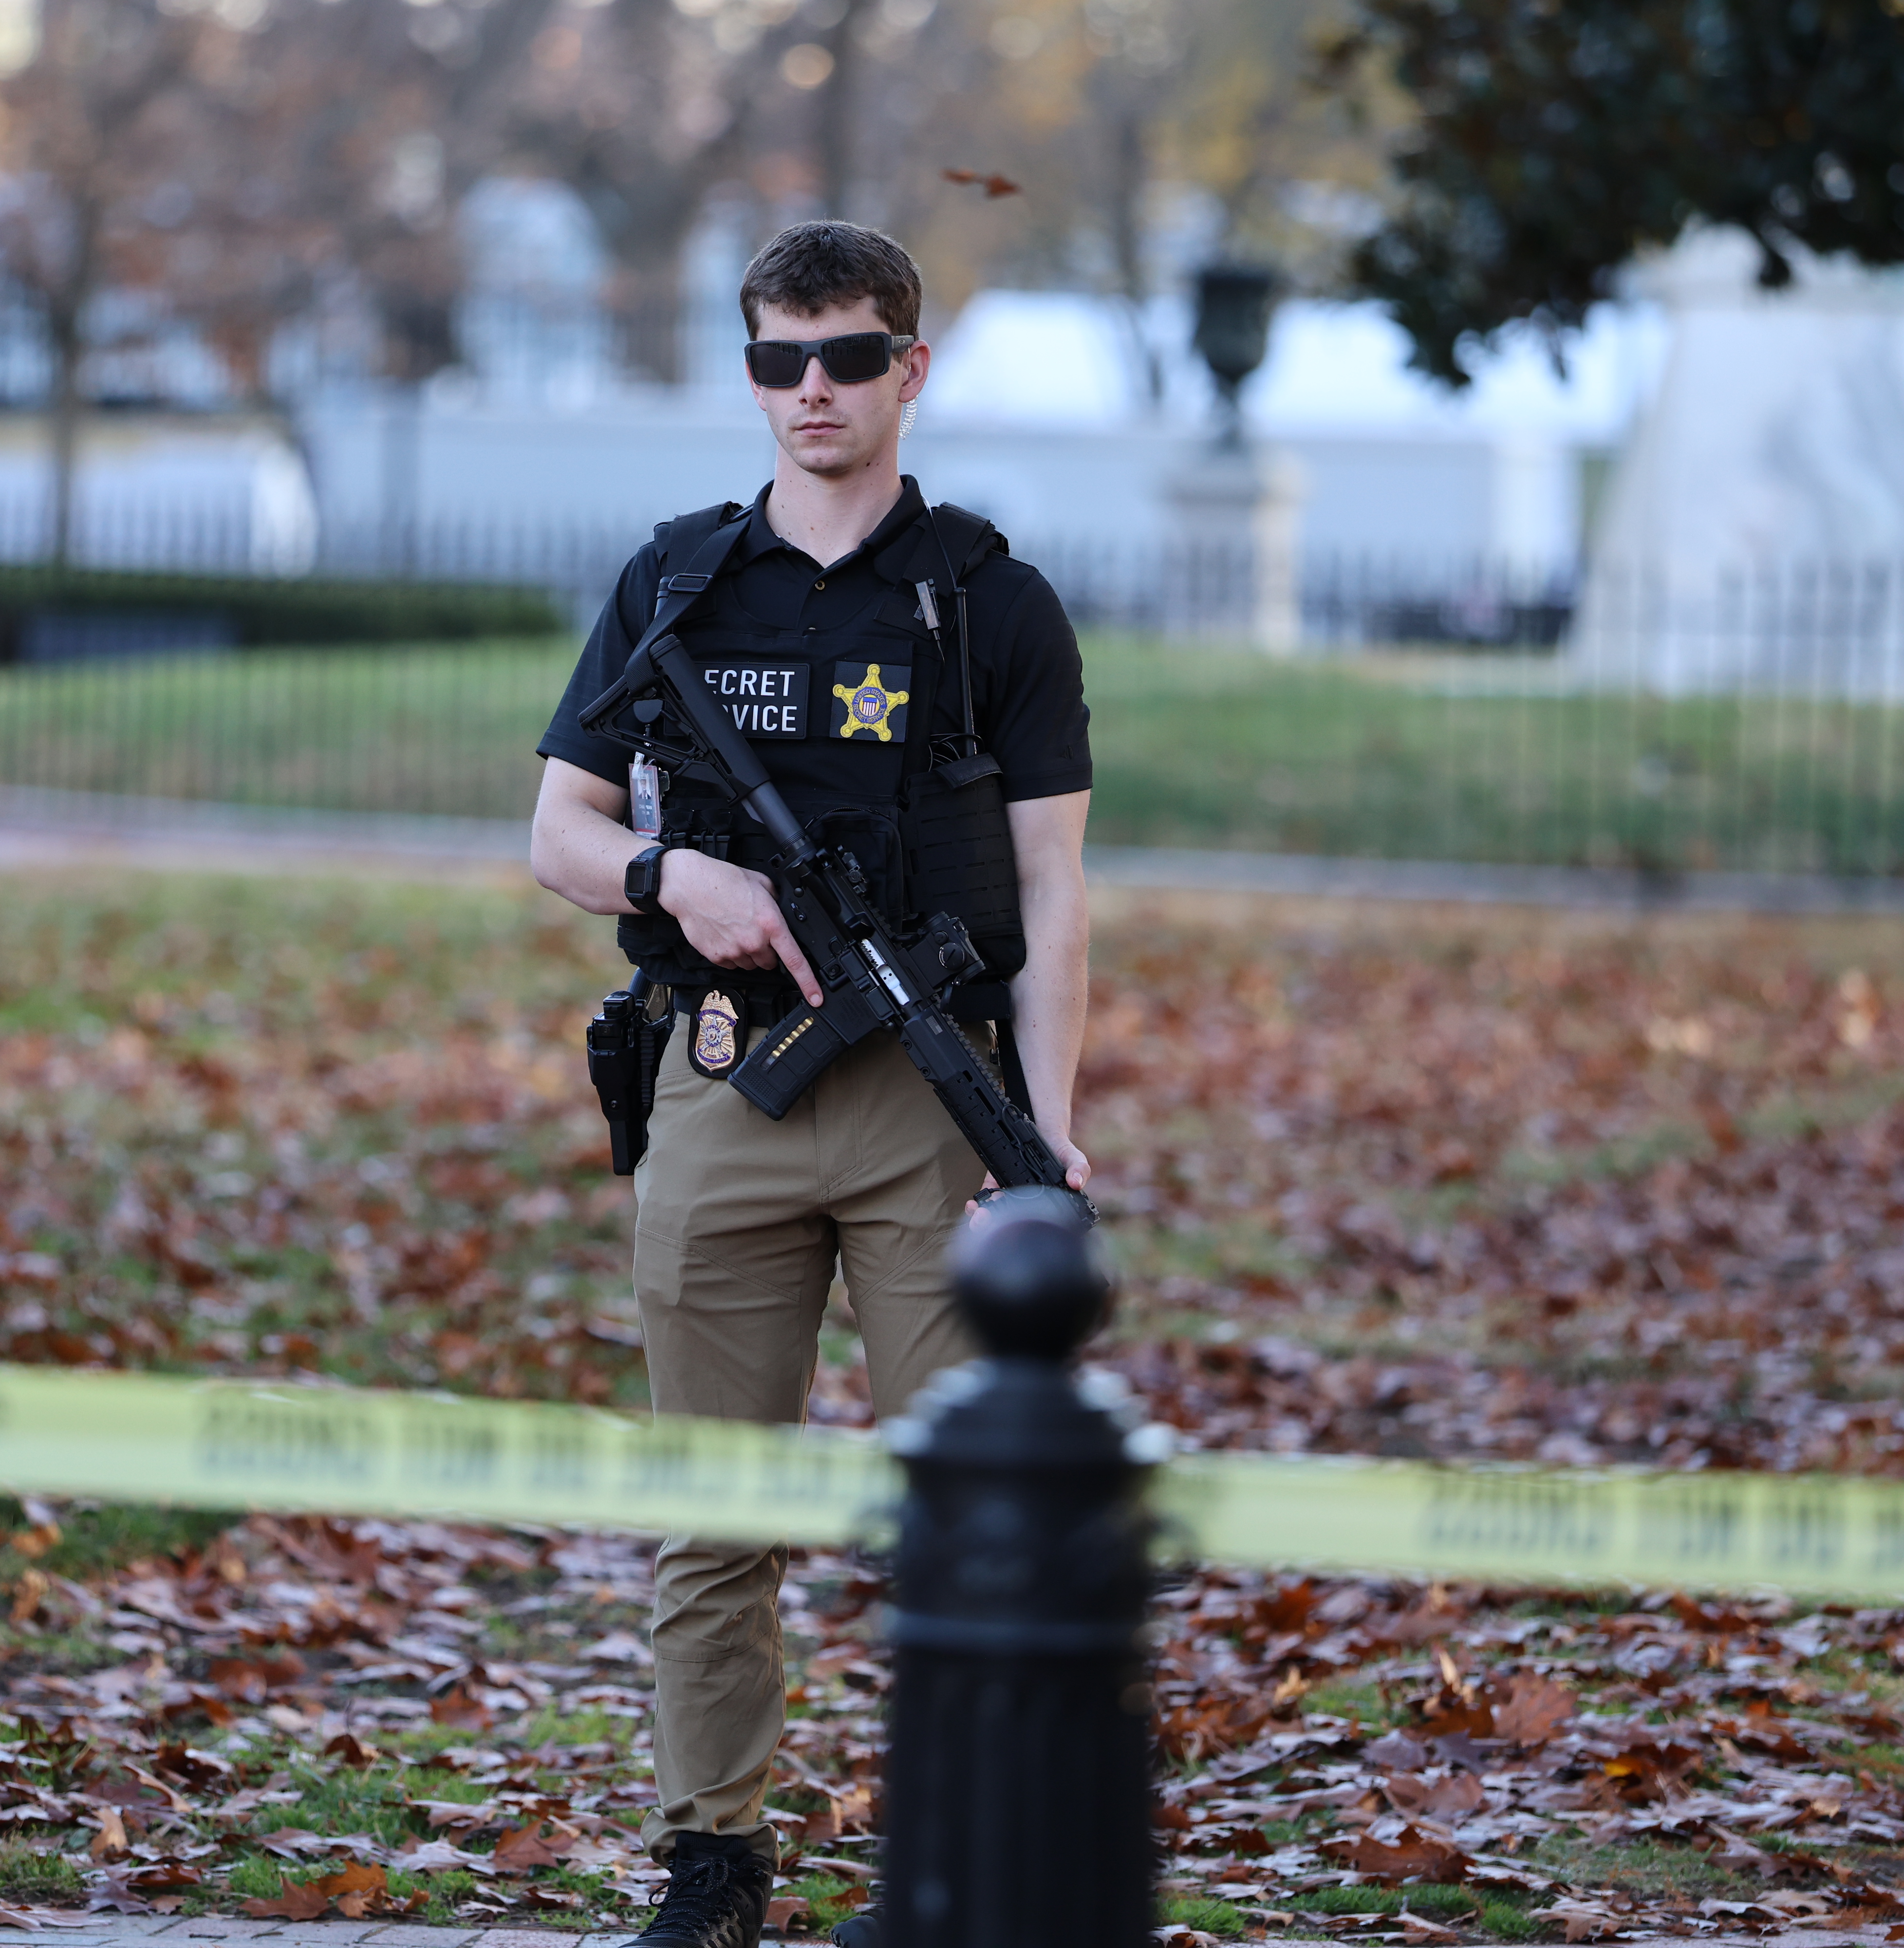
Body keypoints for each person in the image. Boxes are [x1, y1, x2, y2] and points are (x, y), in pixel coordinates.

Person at [530, 220, 1094, 1948]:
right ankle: (715, 1871)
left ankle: (956, 1873)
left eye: (848, 356)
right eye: (780, 359)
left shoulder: (991, 600)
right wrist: (669, 883)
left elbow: (1059, 896)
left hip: (938, 1113)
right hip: (723, 1091)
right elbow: (558, 828)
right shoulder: (677, 585)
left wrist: (1048, 1136)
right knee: (715, 1515)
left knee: (962, 1529)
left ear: (910, 369)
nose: (813, 392)